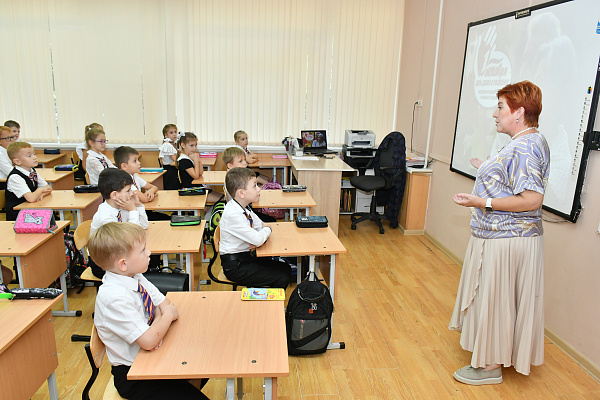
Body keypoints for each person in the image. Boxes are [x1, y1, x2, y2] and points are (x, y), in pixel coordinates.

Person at [449, 81, 550, 385]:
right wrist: (487, 168)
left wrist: (483, 202)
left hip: (509, 239)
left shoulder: (525, 146)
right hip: (507, 237)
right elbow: (513, 180)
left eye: (500, 107)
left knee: (497, 301)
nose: (495, 114)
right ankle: (493, 357)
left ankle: (490, 367)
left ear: (519, 113)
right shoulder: (526, 141)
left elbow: (531, 199)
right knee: (498, 301)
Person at [89, 222, 209, 399]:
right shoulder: (114, 298)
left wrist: (157, 325)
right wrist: (160, 322)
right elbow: (150, 339)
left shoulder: (135, 277)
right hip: (134, 375)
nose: (149, 252)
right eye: (143, 250)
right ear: (123, 264)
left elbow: (167, 305)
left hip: (152, 357)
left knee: (204, 362)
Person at [219, 167, 291, 288]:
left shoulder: (243, 206)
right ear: (241, 193)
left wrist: (260, 235)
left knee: (286, 268)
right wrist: (266, 231)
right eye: (254, 186)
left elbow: (261, 225)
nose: (259, 189)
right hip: (235, 267)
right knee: (282, 277)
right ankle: (267, 301)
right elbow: (260, 236)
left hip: (245, 257)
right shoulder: (233, 214)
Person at [89, 168, 149, 278]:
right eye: (128, 191)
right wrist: (132, 210)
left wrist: (138, 206)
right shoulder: (105, 216)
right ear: (114, 195)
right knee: (143, 266)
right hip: (104, 264)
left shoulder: (122, 207)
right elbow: (131, 238)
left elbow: (144, 226)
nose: (132, 193)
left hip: (121, 255)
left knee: (146, 260)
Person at [222, 147, 276, 222]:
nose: (245, 163)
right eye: (240, 161)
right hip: (241, 215)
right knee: (271, 220)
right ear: (230, 166)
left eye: (245, 160)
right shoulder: (237, 180)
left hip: (245, 210)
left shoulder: (235, 176)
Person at [4, 141, 52, 221]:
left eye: (34, 154)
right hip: (18, 217)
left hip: (32, 211)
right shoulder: (15, 177)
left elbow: (49, 188)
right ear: (17, 161)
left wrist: (41, 195)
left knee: (52, 218)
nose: (34, 157)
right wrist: (40, 189)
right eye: (29, 156)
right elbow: (31, 198)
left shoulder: (32, 171)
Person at [177, 132, 222, 203]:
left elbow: (201, 173)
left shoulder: (190, 157)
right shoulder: (183, 160)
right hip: (191, 190)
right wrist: (195, 160)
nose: (194, 148)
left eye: (195, 145)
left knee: (223, 196)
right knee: (222, 199)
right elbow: (196, 176)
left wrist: (198, 160)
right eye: (191, 145)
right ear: (183, 145)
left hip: (197, 188)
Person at [158, 124, 179, 190]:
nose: (174, 134)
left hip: (171, 169)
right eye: (171, 133)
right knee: (171, 188)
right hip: (169, 170)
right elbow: (175, 159)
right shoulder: (167, 145)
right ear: (166, 135)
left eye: (175, 132)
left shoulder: (172, 143)